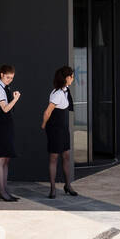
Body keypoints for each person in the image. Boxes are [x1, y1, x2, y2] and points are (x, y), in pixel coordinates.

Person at [42, 65, 78, 198]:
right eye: (72, 77)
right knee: (54, 157)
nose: (73, 79)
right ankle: (52, 189)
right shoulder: (57, 94)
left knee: (66, 155)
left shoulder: (65, 91)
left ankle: (67, 185)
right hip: (55, 128)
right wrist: (44, 124)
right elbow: (47, 112)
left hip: (63, 128)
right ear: (67, 78)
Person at [0, 64, 20, 202]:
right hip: (1, 125)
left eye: (12, 78)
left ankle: (4, 190)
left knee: (6, 158)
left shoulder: (5, 87)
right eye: (8, 77)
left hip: (7, 125)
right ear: (1, 74)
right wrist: (15, 99)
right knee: (1, 158)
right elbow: (5, 109)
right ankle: (2, 191)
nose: (10, 80)